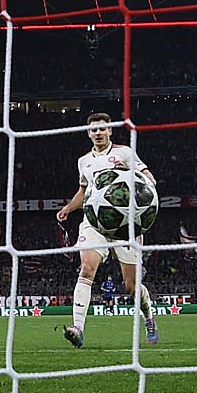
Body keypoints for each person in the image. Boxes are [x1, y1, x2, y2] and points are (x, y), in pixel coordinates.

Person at [55, 112, 159, 348]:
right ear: (88, 133)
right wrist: (69, 209)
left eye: (102, 129)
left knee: (131, 286)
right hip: (95, 222)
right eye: (94, 130)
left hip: (125, 226)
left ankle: (149, 317)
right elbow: (84, 192)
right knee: (86, 269)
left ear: (110, 131)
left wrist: (148, 186)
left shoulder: (124, 153)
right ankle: (78, 328)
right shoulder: (84, 161)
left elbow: (147, 177)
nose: (98, 133)